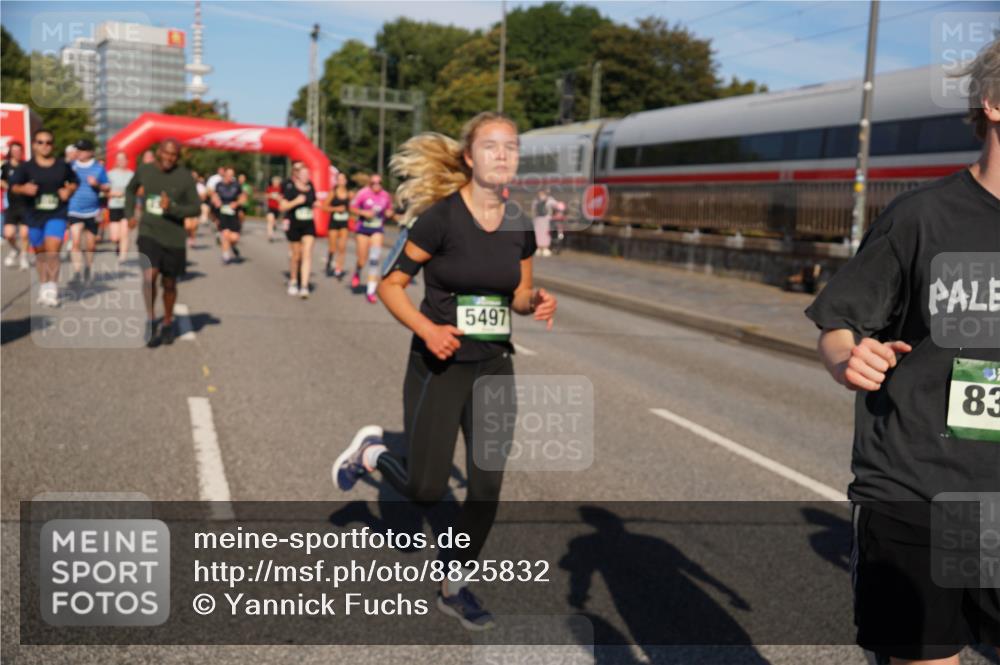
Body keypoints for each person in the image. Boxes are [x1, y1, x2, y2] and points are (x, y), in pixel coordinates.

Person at [805, 39, 1000, 665]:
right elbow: (838, 322)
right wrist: (847, 358)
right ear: (993, 103)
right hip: (916, 493)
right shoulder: (923, 217)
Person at [333, 112, 558, 630]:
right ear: (469, 157)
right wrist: (428, 329)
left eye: (511, 147)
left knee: (486, 489)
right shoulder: (440, 219)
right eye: (491, 146)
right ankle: (371, 453)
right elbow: (391, 285)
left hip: (494, 367)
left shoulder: (520, 223)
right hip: (439, 364)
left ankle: (454, 587)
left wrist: (535, 302)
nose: (502, 155)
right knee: (426, 490)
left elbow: (518, 293)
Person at [125, 139, 200, 346]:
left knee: (169, 283)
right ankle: (150, 319)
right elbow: (130, 190)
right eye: (166, 153)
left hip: (174, 237)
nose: (169, 158)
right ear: (159, 152)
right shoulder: (145, 170)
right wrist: (129, 214)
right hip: (149, 231)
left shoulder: (184, 177)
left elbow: (195, 208)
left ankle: (167, 321)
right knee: (150, 275)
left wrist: (172, 208)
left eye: (174, 155)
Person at [9, 129, 79, 306]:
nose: (45, 146)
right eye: (40, 142)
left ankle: (52, 289)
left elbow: (75, 182)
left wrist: (69, 190)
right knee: (40, 254)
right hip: (34, 215)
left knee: (52, 251)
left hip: (57, 213)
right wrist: (23, 189)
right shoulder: (26, 167)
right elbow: (13, 186)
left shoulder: (62, 166)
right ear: (34, 145)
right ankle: (43, 286)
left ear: (53, 145)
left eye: (48, 142)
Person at [66, 139, 110, 284]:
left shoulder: (98, 168)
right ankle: (77, 272)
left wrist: (97, 184)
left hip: (92, 211)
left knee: (91, 245)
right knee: (76, 242)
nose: (79, 152)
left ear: (90, 152)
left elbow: (107, 187)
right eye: (77, 149)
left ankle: (88, 268)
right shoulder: (71, 166)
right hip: (74, 209)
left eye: (82, 150)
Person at [349, 173, 394, 303]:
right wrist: (363, 212)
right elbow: (352, 208)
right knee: (362, 260)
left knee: (374, 259)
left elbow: (389, 210)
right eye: (373, 183)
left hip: (377, 230)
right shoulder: (363, 193)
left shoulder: (385, 195)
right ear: (369, 184)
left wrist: (389, 213)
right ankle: (357, 271)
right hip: (363, 229)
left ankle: (370, 290)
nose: (376, 185)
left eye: (379, 183)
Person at [280, 162, 317, 298]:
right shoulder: (290, 187)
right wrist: (296, 201)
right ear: (297, 175)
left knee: (307, 253)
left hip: (308, 225)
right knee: (296, 255)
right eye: (303, 174)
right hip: (294, 224)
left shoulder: (311, 187)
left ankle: (304, 286)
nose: (306, 176)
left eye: (308, 174)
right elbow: (282, 206)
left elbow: (313, 202)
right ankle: (294, 280)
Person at [1, 141, 31, 270]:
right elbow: (1, 181)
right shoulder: (5, 167)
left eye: (19, 150)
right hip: (11, 205)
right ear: (11, 152)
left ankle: (24, 256)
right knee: (8, 234)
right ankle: (15, 249)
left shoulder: (26, 166)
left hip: (26, 205)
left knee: (25, 234)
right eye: (14, 151)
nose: (17, 153)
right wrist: (10, 187)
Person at [320, 171, 352, 279]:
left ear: (346, 181)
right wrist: (336, 209)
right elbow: (324, 207)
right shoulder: (332, 193)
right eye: (339, 179)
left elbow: (353, 208)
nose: (341, 181)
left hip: (344, 223)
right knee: (333, 248)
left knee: (342, 247)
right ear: (337, 181)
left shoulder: (349, 193)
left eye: (343, 179)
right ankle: (329, 260)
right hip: (334, 222)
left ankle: (339, 269)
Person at [212, 167, 246, 264]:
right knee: (225, 233)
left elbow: (243, 198)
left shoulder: (236, 185)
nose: (230, 177)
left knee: (234, 237)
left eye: (232, 175)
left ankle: (232, 245)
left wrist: (236, 203)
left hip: (233, 213)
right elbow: (214, 196)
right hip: (222, 212)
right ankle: (225, 255)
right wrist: (216, 201)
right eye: (228, 175)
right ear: (224, 175)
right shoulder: (219, 185)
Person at [106, 151, 135, 263]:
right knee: (114, 237)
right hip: (114, 206)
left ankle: (123, 256)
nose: (121, 161)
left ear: (127, 161)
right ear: (116, 161)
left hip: (127, 207)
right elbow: (104, 191)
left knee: (125, 233)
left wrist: (127, 194)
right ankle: (118, 244)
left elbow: (135, 190)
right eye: (119, 159)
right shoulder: (110, 174)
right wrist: (113, 194)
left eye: (123, 159)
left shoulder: (131, 175)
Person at [531, 189, 558, 257]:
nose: (540, 195)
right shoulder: (536, 201)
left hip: (546, 219)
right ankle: (539, 248)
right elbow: (534, 210)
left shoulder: (549, 200)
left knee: (546, 234)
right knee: (538, 234)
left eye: (542, 193)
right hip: (538, 220)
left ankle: (545, 248)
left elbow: (556, 205)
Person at [264, 175, 282, 242]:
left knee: (274, 223)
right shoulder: (270, 188)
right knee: (270, 220)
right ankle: (270, 235)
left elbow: (283, 197)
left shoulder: (280, 189)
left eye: (277, 182)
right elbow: (266, 196)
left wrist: (279, 198)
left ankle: (273, 228)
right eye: (274, 182)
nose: (276, 183)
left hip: (277, 208)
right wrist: (271, 196)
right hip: (270, 207)